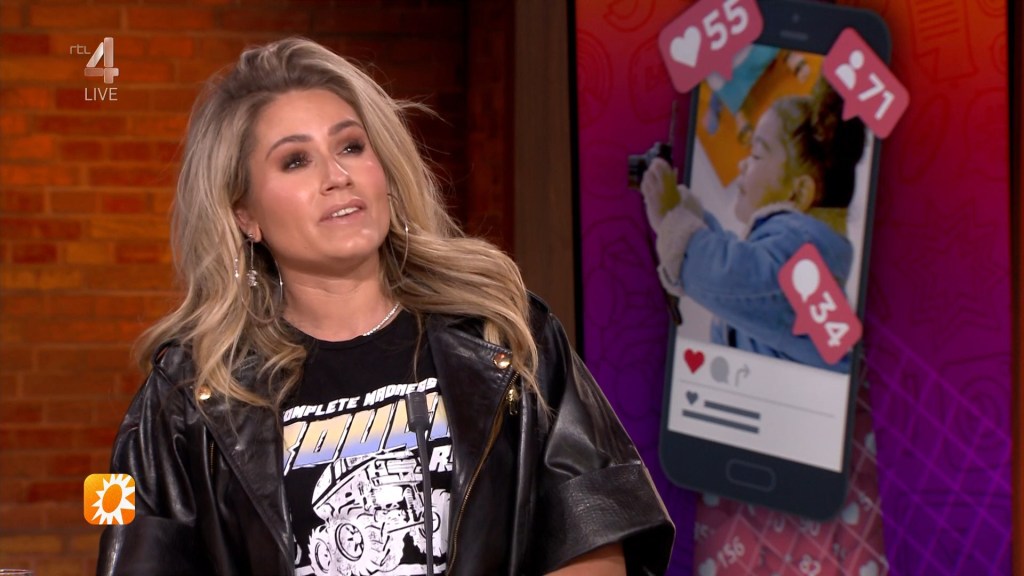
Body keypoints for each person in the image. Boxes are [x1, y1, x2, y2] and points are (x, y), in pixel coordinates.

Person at [96, 37, 673, 575]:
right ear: (244, 215)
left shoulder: (507, 334)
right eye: (295, 160)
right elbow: (126, 544)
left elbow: (594, 531)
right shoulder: (182, 396)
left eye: (351, 146)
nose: (337, 176)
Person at [641, 79, 866, 372]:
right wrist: (686, 214)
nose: (742, 165)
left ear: (798, 192)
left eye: (756, 155)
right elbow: (744, 275)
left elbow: (735, 276)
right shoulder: (795, 259)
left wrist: (673, 223)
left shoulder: (803, 262)